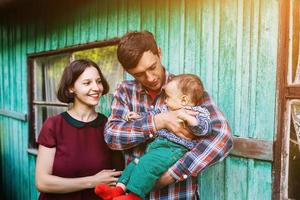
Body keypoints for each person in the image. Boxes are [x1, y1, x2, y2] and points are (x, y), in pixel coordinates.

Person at [104, 31, 233, 199]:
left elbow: (222, 138)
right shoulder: (125, 91)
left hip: (176, 195)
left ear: (159, 52)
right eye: (139, 74)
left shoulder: (187, 88)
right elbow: (112, 136)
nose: (149, 78)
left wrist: (172, 174)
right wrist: (159, 121)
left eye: (152, 67)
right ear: (127, 71)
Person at [95, 74, 212, 200]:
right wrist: (139, 116)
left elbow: (205, 129)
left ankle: (134, 196)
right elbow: (152, 115)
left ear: (183, 100)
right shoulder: (166, 109)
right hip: (158, 146)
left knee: (146, 165)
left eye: (168, 97)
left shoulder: (197, 112)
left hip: (174, 149)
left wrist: (189, 119)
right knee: (135, 163)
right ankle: (118, 190)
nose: (165, 100)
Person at [35, 59, 122, 200]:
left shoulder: (109, 126)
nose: (96, 88)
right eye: (87, 83)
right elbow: (42, 182)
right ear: (71, 88)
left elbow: (116, 177)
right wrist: (92, 181)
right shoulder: (54, 125)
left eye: (98, 81)